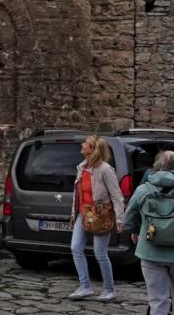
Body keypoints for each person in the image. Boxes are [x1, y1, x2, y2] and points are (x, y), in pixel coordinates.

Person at [67, 135, 125, 302]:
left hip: (100, 215)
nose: (82, 144)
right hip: (83, 214)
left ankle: (109, 289)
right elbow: (77, 195)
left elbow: (117, 196)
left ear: (93, 150)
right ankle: (85, 286)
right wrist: (73, 214)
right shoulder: (82, 167)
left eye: (86, 143)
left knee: (100, 253)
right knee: (75, 248)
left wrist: (120, 219)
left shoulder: (106, 169)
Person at [124, 150, 174, 315]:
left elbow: (128, 220)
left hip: (150, 251)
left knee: (158, 301)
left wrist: (136, 231)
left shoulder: (143, 189)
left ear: (155, 167)